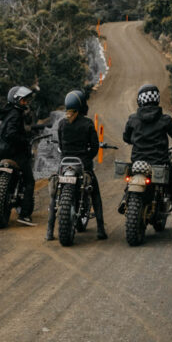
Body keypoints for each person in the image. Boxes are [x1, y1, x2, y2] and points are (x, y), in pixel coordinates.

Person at [121, 83, 172, 239]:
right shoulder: (164, 119)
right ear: (157, 100)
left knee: (130, 180)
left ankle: (124, 199)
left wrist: (134, 138)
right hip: (160, 162)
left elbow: (126, 137)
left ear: (140, 100)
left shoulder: (133, 119)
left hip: (138, 163)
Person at [46, 89, 107, 242]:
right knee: (95, 194)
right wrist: (87, 158)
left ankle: (49, 232)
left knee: (55, 195)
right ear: (81, 106)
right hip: (82, 165)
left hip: (65, 164)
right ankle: (100, 229)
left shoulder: (62, 124)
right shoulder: (87, 123)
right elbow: (94, 147)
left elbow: (60, 145)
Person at [0, 85, 38, 224]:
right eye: (23, 101)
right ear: (16, 100)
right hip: (15, 153)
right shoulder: (16, 115)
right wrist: (24, 141)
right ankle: (25, 215)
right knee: (30, 181)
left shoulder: (8, 113)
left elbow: (9, 132)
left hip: (3, 151)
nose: (26, 103)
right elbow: (12, 134)